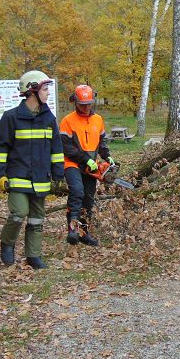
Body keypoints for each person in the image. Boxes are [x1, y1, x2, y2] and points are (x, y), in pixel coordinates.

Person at [0, 71, 64, 270]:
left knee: (37, 218)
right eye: (45, 89)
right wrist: (0, 175)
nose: (48, 93)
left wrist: (58, 174)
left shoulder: (49, 119)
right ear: (32, 91)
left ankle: (33, 255)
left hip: (40, 178)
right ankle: (7, 244)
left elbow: (56, 149)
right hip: (18, 178)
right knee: (19, 212)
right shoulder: (11, 118)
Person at [59, 85, 114, 247]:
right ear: (75, 102)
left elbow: (102, 142)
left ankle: (83, 232)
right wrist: (84, 159)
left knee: (88, 198)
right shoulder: (67, 121)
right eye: (83, 104)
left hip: (91, 165)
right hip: (72, 163)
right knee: (77, 191)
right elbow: (66, 147)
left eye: (89, 103)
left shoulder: (98, 119)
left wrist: (107, 156)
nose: (86, 107)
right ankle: (72, 229)